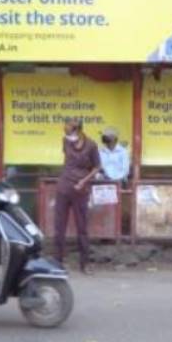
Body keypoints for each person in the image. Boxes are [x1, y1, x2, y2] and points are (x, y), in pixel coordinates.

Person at [55, 117, 102, 274]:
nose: (67, 134)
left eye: (69, 131)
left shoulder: (91, 145)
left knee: (82, 227)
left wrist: (84, 181)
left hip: (80, 190)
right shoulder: (65, 142)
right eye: (66, 131)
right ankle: (58, 262)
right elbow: (67, 162)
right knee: (59, 226)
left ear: (79, 130)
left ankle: (85, 264)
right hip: (64, 186)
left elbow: (97, 167)